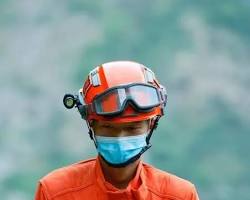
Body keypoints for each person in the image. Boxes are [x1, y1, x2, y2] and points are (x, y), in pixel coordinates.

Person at [35, 61, 199, 200]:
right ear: (91, 124)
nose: (120, 138)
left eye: (132, 128)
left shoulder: (180, 195)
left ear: (151, 125)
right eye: (108, 128)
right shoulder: (55, 192)